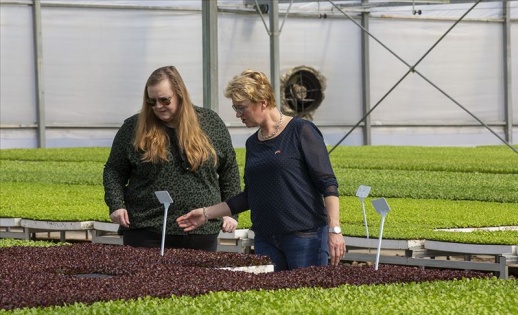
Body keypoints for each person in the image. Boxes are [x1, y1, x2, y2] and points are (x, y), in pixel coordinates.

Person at [177, 69, 345, 270]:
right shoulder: (253, 143)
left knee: (307, 296)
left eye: (242, 108)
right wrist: (205, 214)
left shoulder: (301, 130)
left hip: (305, 237)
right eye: (235, 108)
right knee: (274, 299)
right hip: (267, 239)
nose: (238, 114)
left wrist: (334, 230)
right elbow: (250, 196)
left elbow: (327, 183)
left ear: (263, 102)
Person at [103, 65, 241, 251]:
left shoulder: (210, 123)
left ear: (180, 95)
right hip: (146, 229)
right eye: (152, 102)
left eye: (165, 100)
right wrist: (116, 205)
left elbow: (228, 169)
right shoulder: (133, 127)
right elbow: (114, 170)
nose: (158, 106)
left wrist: (231, 212)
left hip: (201, 231)